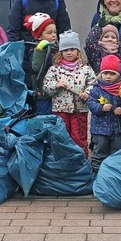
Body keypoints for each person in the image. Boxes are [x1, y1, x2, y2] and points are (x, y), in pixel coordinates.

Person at [42, 30, 96, 158]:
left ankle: (81, 161)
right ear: (61, 52)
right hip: (61, 109)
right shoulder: (55, 70)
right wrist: (56, 85)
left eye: (72, 49)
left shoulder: (85, 69)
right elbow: (46, 86)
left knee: (79, 137)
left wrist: (87, 93)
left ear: (78, 51)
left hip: (80, 110)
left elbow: (94, 84)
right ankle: (63, 162)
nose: (69, 52)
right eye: (66, 50)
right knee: (62, 136)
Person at [86, 55, 121, 172]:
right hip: (100, 130)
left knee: (117, 154)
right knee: (99, 153)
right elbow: (90, 102)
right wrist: (101, 107)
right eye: (106, 73)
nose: (108, 76)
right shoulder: (96, 89)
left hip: (118, 129)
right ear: (101, 74)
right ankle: (96, 175)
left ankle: (114, 176)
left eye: (112, 74)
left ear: (118, 75)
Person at [26, 13, 59, 115]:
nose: (54, 35)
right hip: (43, 95)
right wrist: (40, 50)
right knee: (45, 121)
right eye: (49, 33)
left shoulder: (57, 49)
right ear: (39, 36)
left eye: (55, 32)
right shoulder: (36, 50)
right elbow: (37, 67)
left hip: (58, 94)